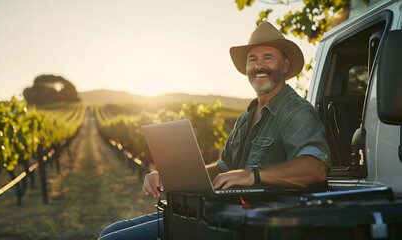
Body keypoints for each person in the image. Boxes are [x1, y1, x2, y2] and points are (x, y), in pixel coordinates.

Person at [98, 22, 330, 240]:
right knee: (112, 230)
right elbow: (224, 168)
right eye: (252, 60)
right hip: (216, 211)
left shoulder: (296, 111)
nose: (258, 66)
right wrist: (171, 178)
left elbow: (315, 169)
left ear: (285, 65)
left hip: (250, 222)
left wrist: (253, 175)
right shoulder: (245, 117)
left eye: (268, 58)